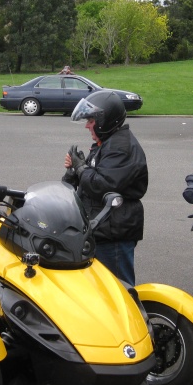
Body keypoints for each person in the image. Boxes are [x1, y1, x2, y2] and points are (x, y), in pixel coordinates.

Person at [62, 90, 148, 285]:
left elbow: (103, 185)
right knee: (100, 290)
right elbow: (82, 183)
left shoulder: (121, 148)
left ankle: (132, 316)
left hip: (114, 231)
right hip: (102, 227)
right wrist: (73, 171)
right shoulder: (107, 143)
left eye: (91, 120)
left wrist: (81, 168)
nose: (87, 125)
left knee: (119, 289)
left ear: (105, 120)